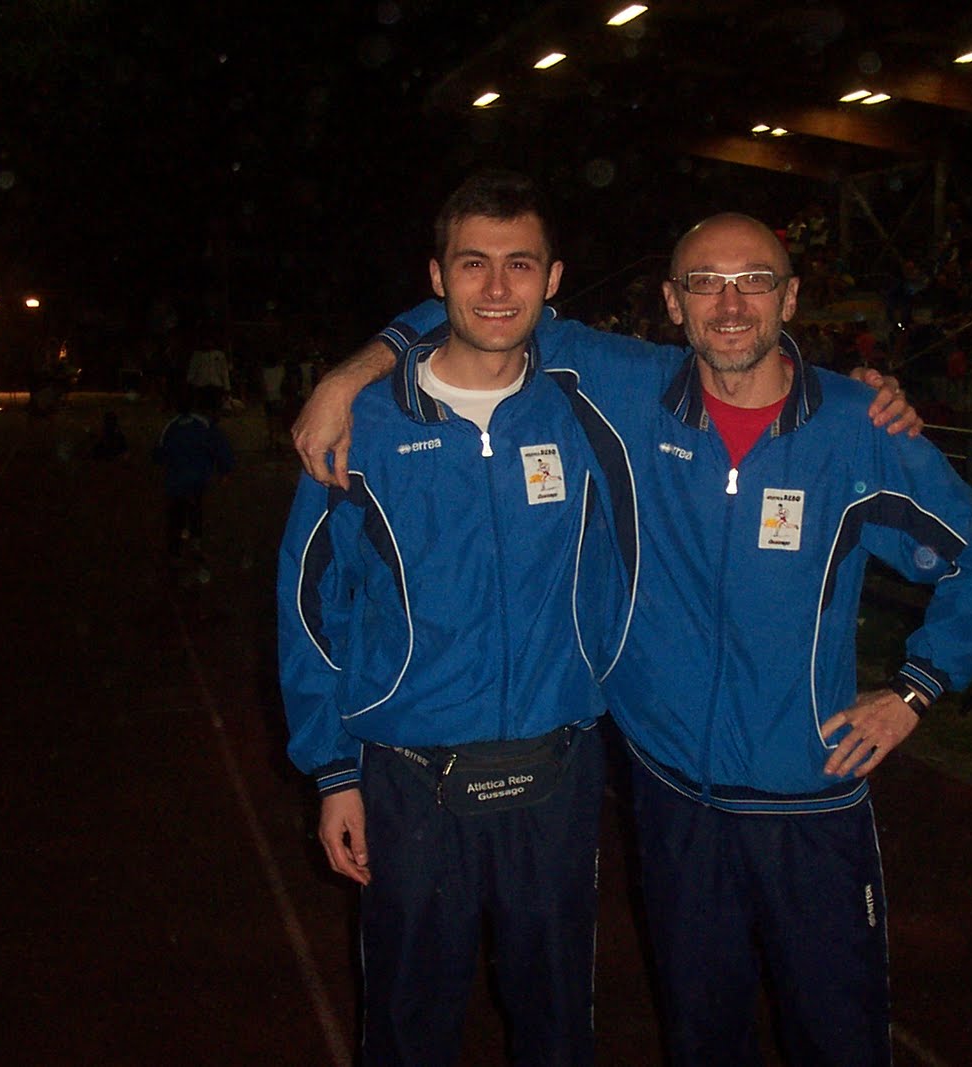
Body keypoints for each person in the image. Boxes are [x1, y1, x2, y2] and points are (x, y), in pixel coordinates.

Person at [296, 212, 972, 1065]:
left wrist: (913, 691)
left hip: (809, 798)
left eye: (754, 282)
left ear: (791, 296)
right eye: (706, 283)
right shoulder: (628, 391)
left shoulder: (858, 425)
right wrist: (349, 376)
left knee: (840, 1042)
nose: (731, 305)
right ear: (673, 302)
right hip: (672, 797)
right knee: (700, 1041)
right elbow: (490, 305)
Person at [276, 171, 632, 1067]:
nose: (498, 287)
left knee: (558, 1028)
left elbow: (733, 363)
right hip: (409, 783)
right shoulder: (362, 423)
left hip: (556, 772)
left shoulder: (591, 406)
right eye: (474, 263)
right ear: (435, 278)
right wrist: (333, 773)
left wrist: (866, 395)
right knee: (407, 1028)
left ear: (554, 280)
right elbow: (310, 605)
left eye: (521, 264)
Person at [153, 387, 234, 566]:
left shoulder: (171, 427)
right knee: (195, 510)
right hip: (197, 479)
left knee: (176, 515)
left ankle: (175, 551)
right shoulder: (203, 425)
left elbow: (159, 454)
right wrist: (225, 470)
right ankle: (195, 546)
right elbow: (220, 447)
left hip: (176, 482)